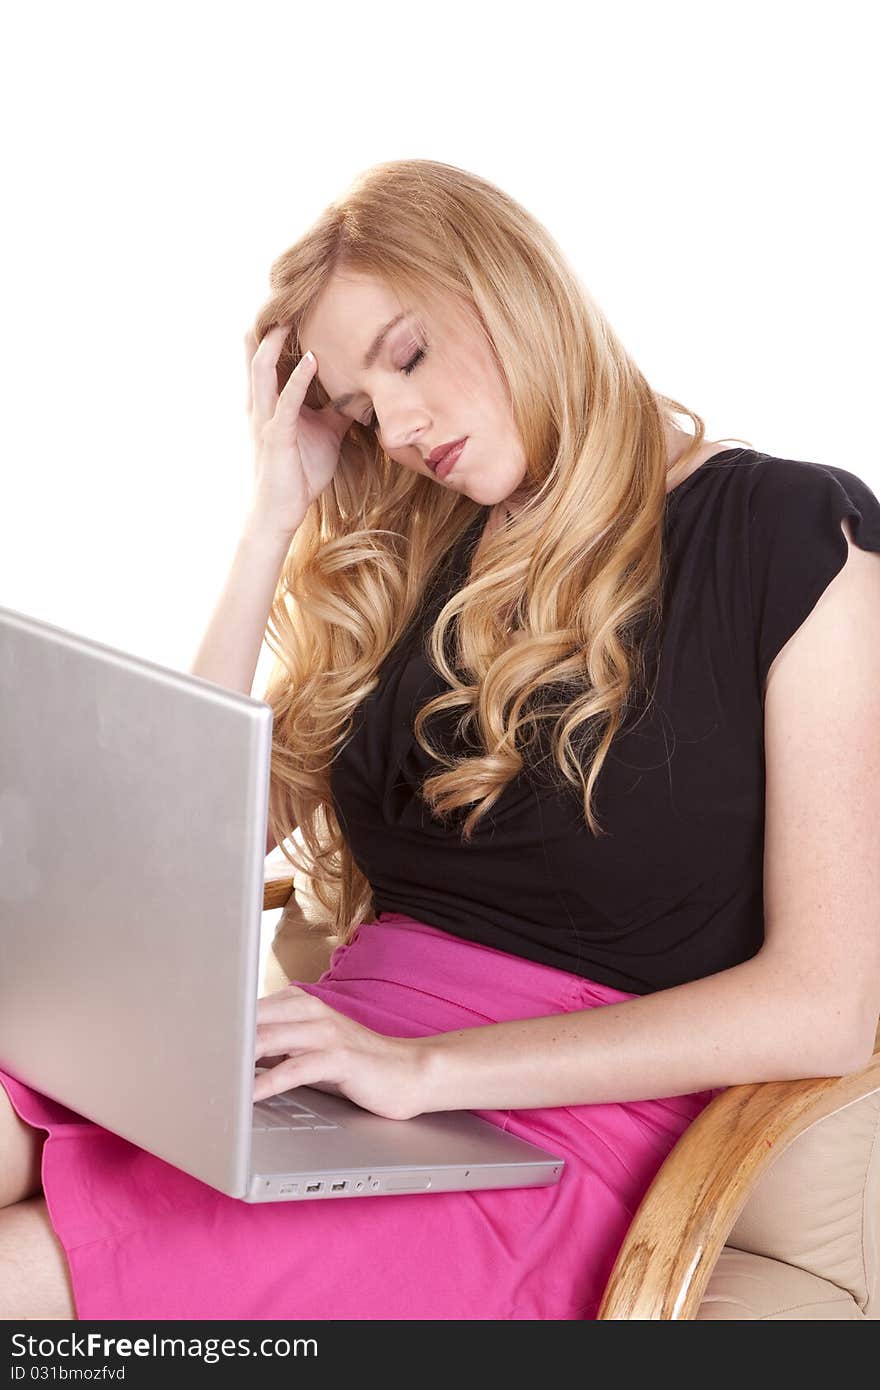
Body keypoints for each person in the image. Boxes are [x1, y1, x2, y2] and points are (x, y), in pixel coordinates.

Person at [2, 157, 880, 1322]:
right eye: (364, 410)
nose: (401, 427)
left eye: (407, 356)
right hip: (316, 1072)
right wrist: (272, 510)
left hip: (531, 1131)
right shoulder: (422, 557)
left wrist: (420, 1071)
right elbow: (177, 847)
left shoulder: (791, 534)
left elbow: (826, 1003)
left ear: (509, 287)